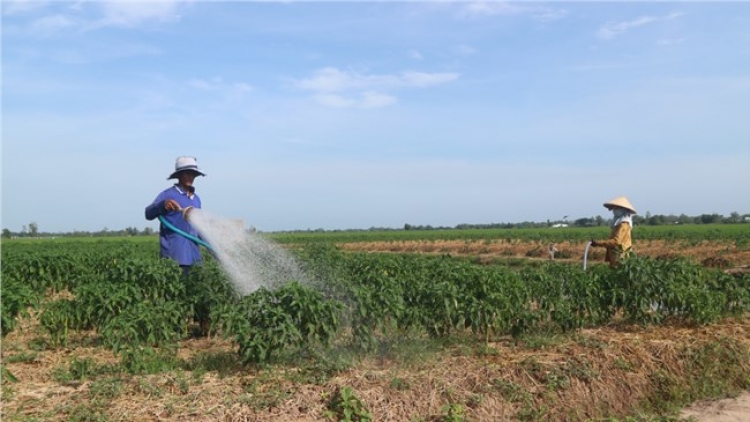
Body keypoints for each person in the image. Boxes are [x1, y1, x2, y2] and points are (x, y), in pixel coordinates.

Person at [145, 156, 207, 275]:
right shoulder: (168, 195)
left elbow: (200, 228)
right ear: (179, 175)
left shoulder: (196, 200)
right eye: (186, 174)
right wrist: (163, 205)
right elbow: (148, 213)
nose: (190, 177)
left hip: (195, 258)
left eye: (193, 174)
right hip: (175, 258)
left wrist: (215, 249)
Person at [590, 196, 637, 268]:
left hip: (622, 257)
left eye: (616, 208)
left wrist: (598, 243)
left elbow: (616, 241)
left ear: (623, 209)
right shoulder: (619, 223)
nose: (614, 210)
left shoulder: (624, 223)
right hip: (616, 256)